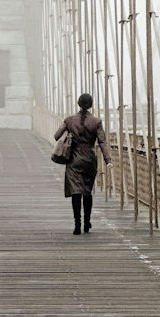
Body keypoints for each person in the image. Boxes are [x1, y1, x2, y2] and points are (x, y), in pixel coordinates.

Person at [55, 93, 111, 235]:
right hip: (89, 160)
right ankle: (87, 222)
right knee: (87, 191)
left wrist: (69, 133)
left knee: (75, 192)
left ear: (78, 103)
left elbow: (56, 136)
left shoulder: (69, 120)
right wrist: (108, 160)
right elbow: (102, 142)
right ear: (91, 104)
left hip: (74, 160)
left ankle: (77, 224)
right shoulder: (96, 122)